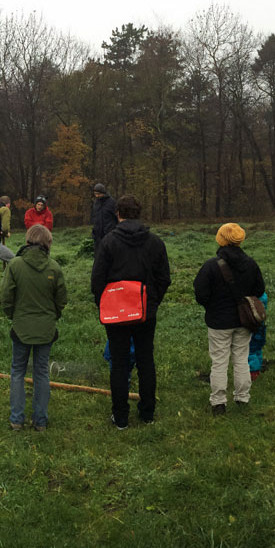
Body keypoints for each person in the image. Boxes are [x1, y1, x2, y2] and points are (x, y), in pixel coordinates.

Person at [91, 195, 171, 429]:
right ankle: (147, 414)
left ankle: (121, 417)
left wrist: (104, 305)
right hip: (146, 312)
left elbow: (97, 280)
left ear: (118, 214)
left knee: (119, 362)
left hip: (117, 314)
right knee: (146, 360)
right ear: (139, 213)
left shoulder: (108, 242)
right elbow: (164, 278)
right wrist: (153, 303)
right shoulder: (155, 242)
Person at [193, 223, 266, 416]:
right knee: (241, 359)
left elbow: (200, 293)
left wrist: (212, 306)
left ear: (221, 240)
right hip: (244, 321)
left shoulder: (210, 266)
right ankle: (243, 398)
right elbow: (259, 290)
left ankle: (218, 403)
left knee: (219, 361)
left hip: (218, 322)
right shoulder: (250, 264)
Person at [0, 224, 67, 432]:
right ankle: (40, 422)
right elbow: (61, 300)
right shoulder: (54, 268)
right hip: (46, 330)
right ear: (48, 243)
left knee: (17, 371)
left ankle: (16, 420)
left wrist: (13, 316)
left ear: (28, 240)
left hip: (20, 328)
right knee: (41, 373)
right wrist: (52, 317)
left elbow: (6, 297)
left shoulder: (14, 265)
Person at [248, 292, 269, 381]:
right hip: (260, 326)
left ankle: (252, 372)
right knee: (257, 349)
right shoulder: (262, 297)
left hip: (251, 327)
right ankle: (258, 367)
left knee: (250, 350)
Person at [91, 184, 117, 248]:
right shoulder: (95, 203)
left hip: (109, 235)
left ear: (103, 193)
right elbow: (94, 218)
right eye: (95, 194)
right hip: (97, 237)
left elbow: (117, 217)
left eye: (99, 194)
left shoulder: (112, 203)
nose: (97, 196)